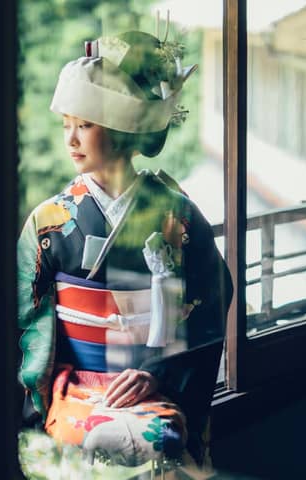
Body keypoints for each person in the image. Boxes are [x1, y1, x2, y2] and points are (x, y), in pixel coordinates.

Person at [18, 30, 233, 467]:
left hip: (157, 385)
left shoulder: (179, 216)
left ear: (121, 129)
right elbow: (24, 316)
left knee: (161, 439)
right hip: (74, 386)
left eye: (85, 125)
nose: (71, 140)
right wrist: (45, 389)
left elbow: (211, 302)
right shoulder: (49, 221)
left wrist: (156, 372)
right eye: (66, 125)